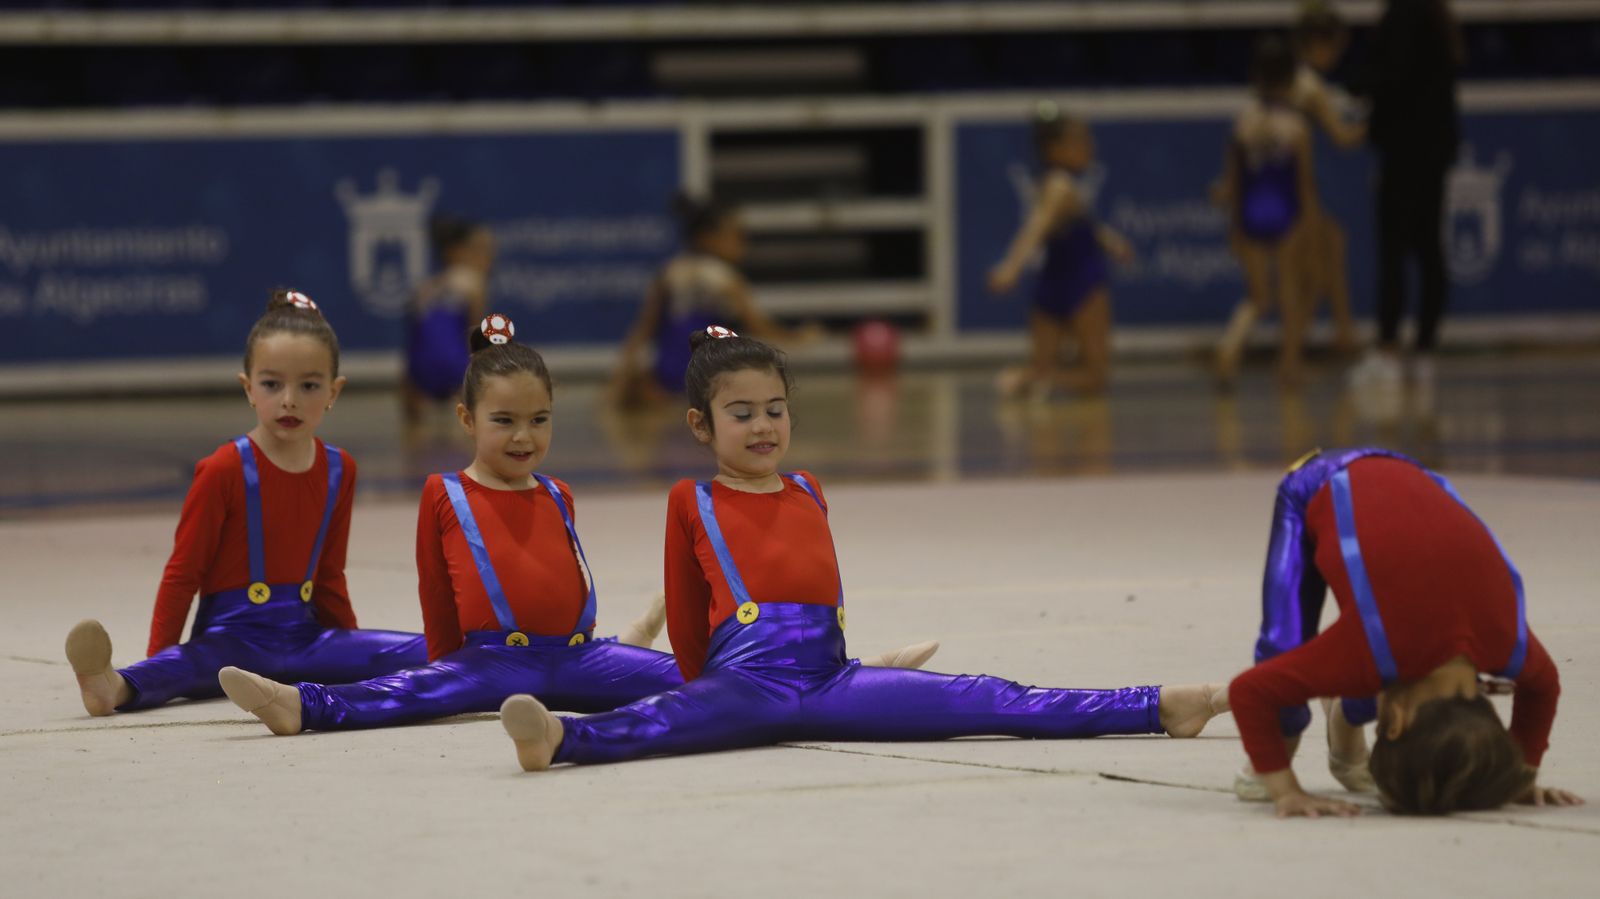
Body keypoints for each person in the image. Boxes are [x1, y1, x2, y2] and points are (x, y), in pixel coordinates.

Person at [497, 327, 1224, 770]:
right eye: (740, 413)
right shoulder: (694, 499)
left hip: (832, 681)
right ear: (700, 423)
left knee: (988, 697)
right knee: (656, 724)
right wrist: (700, 688)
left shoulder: (808, 487)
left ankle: (1156, 706)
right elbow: (688, 622)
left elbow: (827, 592)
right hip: (744, 685)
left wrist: (846, 667)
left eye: (775, 410)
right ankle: (559, 740)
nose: (762, 426)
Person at [220, 315, 936, 734]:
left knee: (693, 679)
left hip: (578, 653)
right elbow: (436, 588)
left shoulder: (558, 491)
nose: (524, 436)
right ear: (469, 419)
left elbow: (571, 577)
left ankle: (849, 670)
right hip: (491, 656)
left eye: (539, 421)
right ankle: (305, 706)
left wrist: (606, 642)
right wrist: (447, 658)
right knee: (412, 690)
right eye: (505, 422)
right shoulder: (446, 491)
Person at [64, 290, 427, 715]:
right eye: (272, 384)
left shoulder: (339, 469)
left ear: (334, 390)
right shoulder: (223, 469)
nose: (289, 399)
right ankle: (111, 685)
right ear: (248, 388)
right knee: (185, 666)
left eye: (309, 385)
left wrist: (350, 651)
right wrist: (156, 659)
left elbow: (328, 576)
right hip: (229, 642)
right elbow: (182, 575)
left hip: (306, 639)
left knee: (429, 648)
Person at [1222, 447, 1580, 817]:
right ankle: (1293, 739)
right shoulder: (1375, 649)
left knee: (1369, 674)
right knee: (1284, 649)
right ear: (1393, 723)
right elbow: (1250, 692)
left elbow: (1544, 686)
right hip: (1317, 480)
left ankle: (1344, 719)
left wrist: (1520, 777)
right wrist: (1286, 791)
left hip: (1416, 474)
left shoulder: (1507, 643)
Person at [610, 193, 817, 408]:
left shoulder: (671, 270)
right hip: (709, 374)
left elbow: (643, 330)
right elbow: (756, 325)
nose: (743, 243)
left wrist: (619, 380)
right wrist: (796, 337)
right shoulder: (724, 278)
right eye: (736, 235)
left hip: (668, 374)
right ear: (707, 238)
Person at [1349, 0, 1463, 390]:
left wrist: (1357, 81)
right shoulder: (1437, 17)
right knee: (1428, 246)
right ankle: (1424, 348)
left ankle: (1388, 351)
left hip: (1406, 151)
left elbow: (1392, 76)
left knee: (1396, 248)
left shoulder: (1405, 16)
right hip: (1431, 151)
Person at [988, 103, 1134, 399]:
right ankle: (1035, 382)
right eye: (1081, 140)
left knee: (1050, 368)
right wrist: (1011, 267)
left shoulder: (1058, 186)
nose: (1090, 146)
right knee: (1095, 378)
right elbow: (1036, 227)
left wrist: (1111, 242)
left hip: (1054, 284)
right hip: (1083, 283)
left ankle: (1030, 380)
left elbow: (1081, 222)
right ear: (1055, 150)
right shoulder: (1059, 186)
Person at [1214, 36, 1319, 387]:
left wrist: (1234, 223)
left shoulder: (1243, 121)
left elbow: (1232, 182)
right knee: (1289, 292)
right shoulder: (1296, 127)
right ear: (1291, 81)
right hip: (1285, 210)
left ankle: (1230, 348)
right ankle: (1289, 364)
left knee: (1257, 298)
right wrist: (1309, 222)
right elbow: (1304, 182)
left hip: (1250, 209)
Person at [1292, 0, 1365, 355]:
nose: (1337, 56)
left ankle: (1344, 335)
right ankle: (1291, 352)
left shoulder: (1296, 80)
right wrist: (1385, 120)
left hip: (1310, 185)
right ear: (1320, 45)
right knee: (1317, 274)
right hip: (1307, 188)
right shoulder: (1310, 88)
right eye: (1334, 48)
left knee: (1333, 260)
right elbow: (1343, 137)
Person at [404, 215, 494, 427]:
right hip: (456, 367)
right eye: (482, 251)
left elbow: (414, 343)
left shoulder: (425, 288)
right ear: (458, 252)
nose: (489, 258)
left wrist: (409, 387)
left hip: (420, 372)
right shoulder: (473, 282)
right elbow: (477, 338)